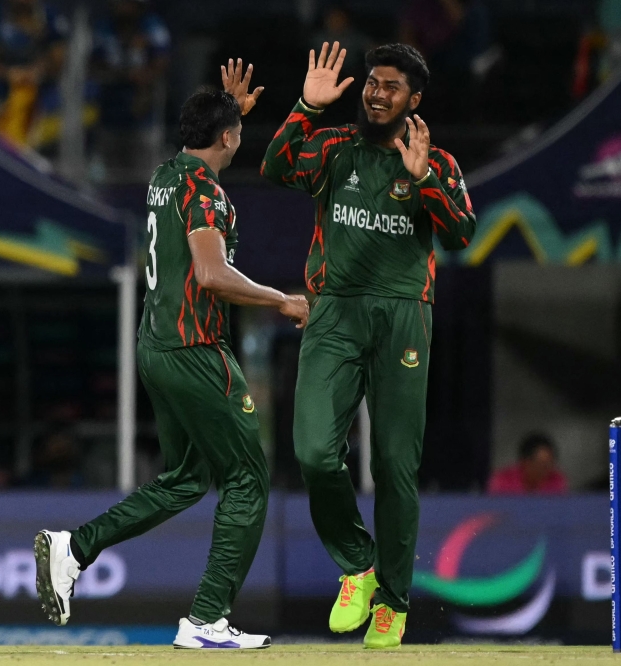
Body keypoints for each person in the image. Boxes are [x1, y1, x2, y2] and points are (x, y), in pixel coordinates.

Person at [34, 60, 308, 650]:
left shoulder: (166, 174)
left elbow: (199, 153)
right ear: (229, 138)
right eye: (235, 131)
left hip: (155, 345)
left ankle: (74, 548)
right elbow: (211, 274)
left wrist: (227, 110)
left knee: (188, 478)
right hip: (195, 348)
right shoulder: (205, 190)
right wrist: (281, 299)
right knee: (248, 479)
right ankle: (207, 619)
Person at [261, 42, 476, 648]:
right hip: (334, 312)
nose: (378, 94)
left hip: (405, 317)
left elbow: (462, 233)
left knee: (394, 467)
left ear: (415, 101)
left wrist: (425, 178)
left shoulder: (437, 162)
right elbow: (276, 167)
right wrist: (305, 105)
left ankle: (395, 602)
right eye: (373, 83)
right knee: (312, 452)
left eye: (393, 87)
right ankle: (358, 563)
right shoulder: (333, 148)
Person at [90, 0, 171, 181]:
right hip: (110, 115)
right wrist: (124, 75)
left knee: (145, 179)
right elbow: (94, 66)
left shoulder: (152, 26)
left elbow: (160, 64)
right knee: (112, 180)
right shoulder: (104, 27)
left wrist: (144, 84)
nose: (121, 6)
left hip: (142, 116)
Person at [0, 0, 69, 147]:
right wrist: (9, 73)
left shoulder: (50, 15)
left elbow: (59, 58)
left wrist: (38, 70)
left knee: (31, 150)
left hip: (39, 95)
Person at [487, 433, 568, 495]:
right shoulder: (503, 480)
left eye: (551, 463)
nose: (548, 469)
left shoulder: (556, 480)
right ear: (525, 462)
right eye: (542, 465)